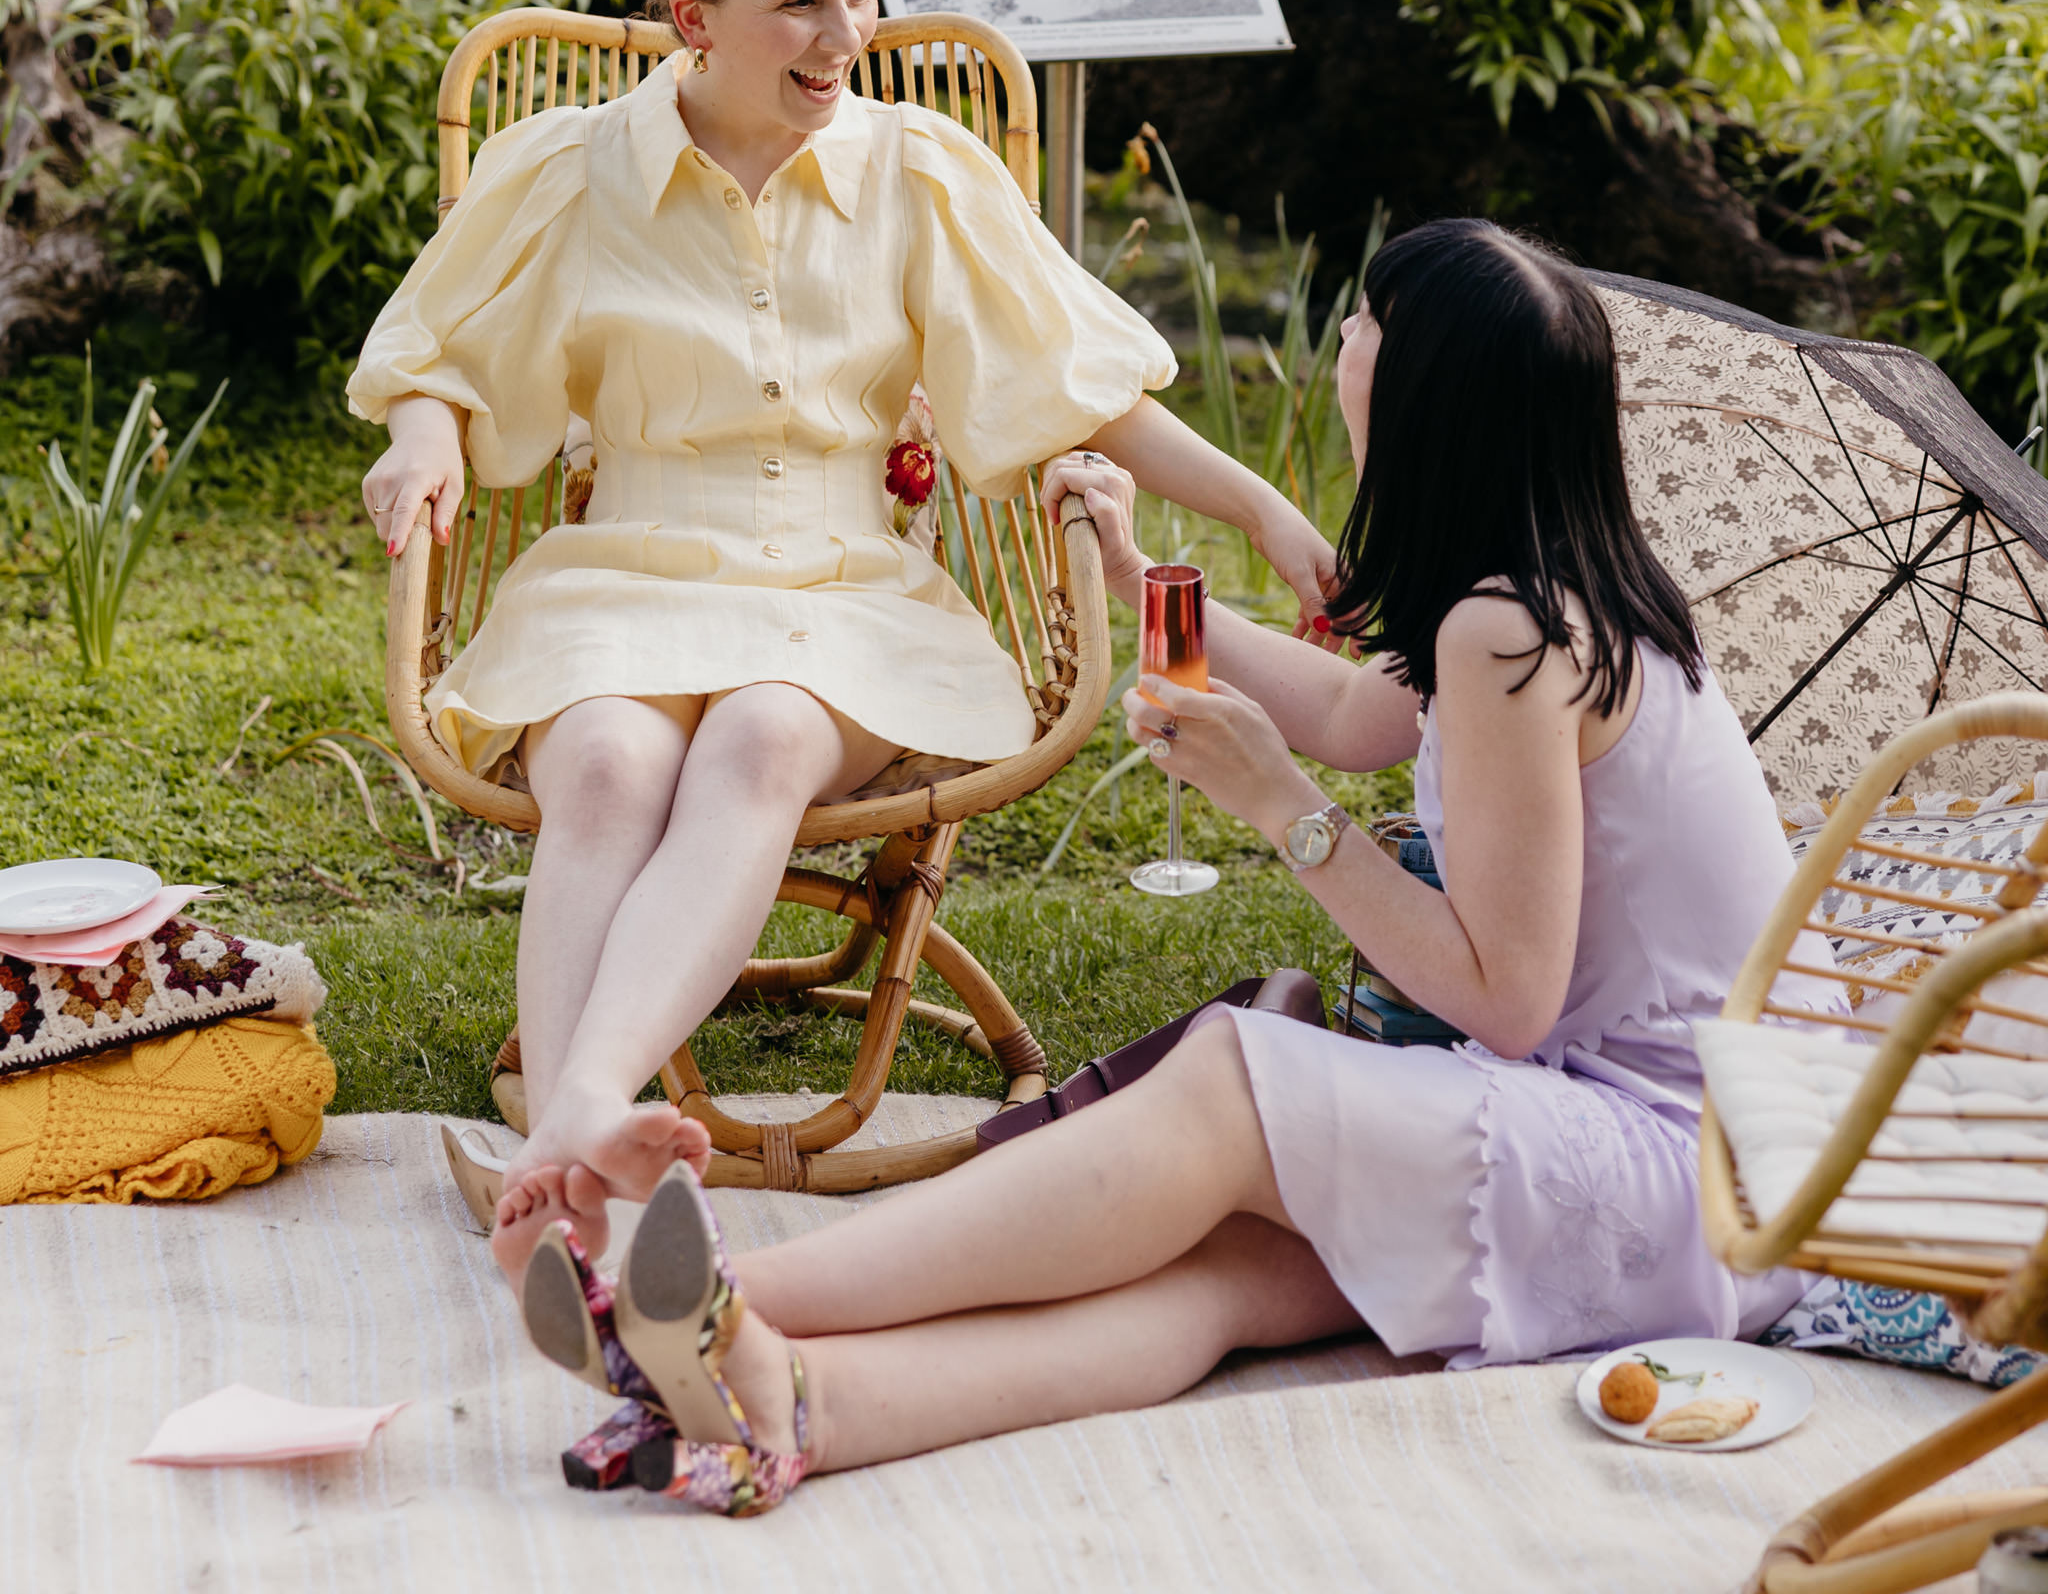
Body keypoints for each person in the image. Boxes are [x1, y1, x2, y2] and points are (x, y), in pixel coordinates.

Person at [518, 214, 1809, 1513]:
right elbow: (1351, 712)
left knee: (1235, 1085)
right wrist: (1150, 583)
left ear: (1426, 391)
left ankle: (696, 1304)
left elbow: (1507, 997)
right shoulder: (1542, 587)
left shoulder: (1510, 632)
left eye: (1369, 319)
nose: (1347, 334)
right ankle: (798, 1398)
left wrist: (1280, 804)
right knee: (1230, 1275)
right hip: (1717, 1176)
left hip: (1671, 1166)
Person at [346, 0, 1333, 1281]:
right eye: (802, 1)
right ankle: (582, 1148)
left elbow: (1081, 386)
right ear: (692, 16)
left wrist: (1259, 508)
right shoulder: (571, 169)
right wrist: (424, 432)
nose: (848, 35)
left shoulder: (916, 170)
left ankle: (567, 1128)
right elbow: (437, 346)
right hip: (625, 568)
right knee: (606, 765)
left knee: (758, 738)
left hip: (843, 583)